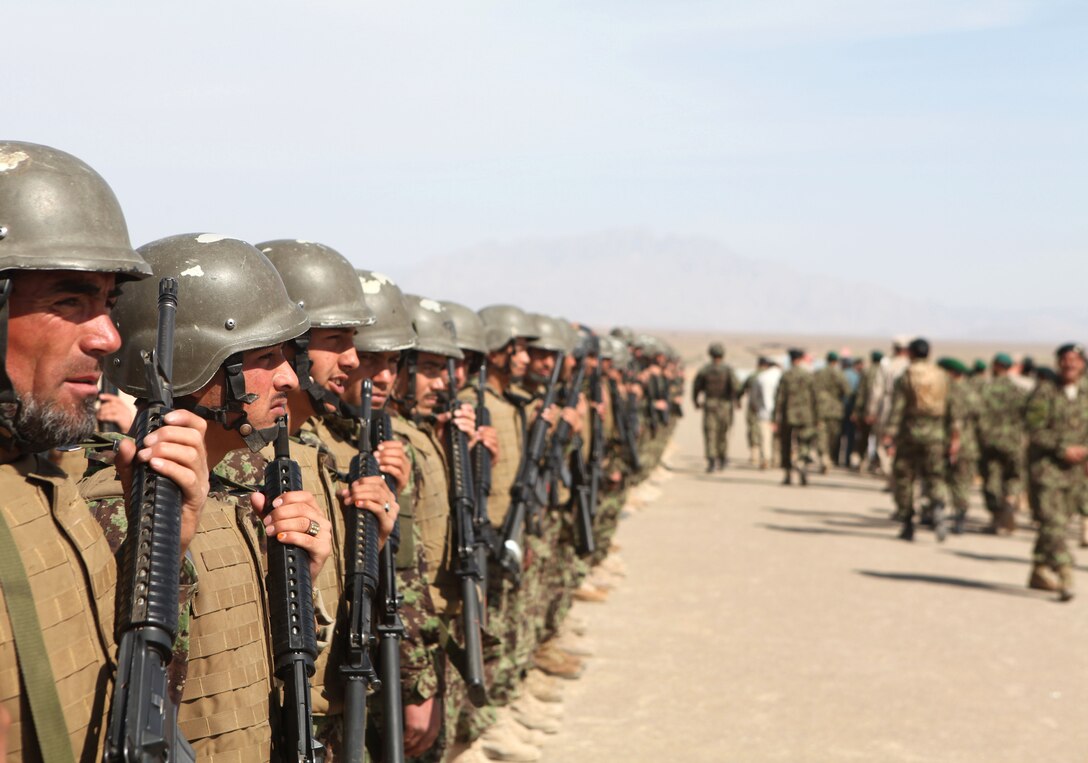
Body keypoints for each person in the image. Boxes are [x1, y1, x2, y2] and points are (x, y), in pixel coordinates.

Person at [80, 234, 347, 760]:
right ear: (195, 364)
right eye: (265, 357)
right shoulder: (120, 504)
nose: (290, 378)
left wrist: (299, 584)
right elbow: (132, 693)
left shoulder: (243, 491)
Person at [0, 142, 210, 760]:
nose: (108, 337)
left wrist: (168, 544)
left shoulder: (46, 483)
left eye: (107, 304)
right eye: (70, 301)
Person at [1025, 343, 1088, 600]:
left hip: (1075, 473)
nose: (1069, 364)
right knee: (1053, 522)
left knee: (1060, 522)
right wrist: (1063, 448)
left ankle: (1039, 571)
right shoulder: (1044, 392)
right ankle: (1066, 573)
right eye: (1065, 359)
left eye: (1075, 359)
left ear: (1083, 364)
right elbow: (1034, 429)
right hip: (1047, 469)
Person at [885, 338, 954, 542]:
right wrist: (953, 434)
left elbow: (898, 407)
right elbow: (951, 407)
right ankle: (939, 510)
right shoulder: (942, 376)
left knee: (905, 477)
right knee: (935, 476)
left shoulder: (907, 375)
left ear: (911, 354)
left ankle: (907, 522)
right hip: (936, 434)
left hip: (910, 433)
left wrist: (890, 433)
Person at [977, 352, 1028, 535]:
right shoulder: (1020, 391)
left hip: (990, 443)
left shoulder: (986, 389)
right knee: (1013, 477)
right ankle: (1009, 504)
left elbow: (977, 414)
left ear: (996, 366)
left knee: (992, 479)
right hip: (1014, 442)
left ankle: (998, 517)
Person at [692, 342, 740, 472]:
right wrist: (737, 401)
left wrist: (696, 402)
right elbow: (736, 387)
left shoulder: (705, 369)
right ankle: (722, 458)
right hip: (725, 405)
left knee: (710, 433)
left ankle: (712, 459)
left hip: (710, 405)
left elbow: (696, 387)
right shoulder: (728, 370)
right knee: (723, 433)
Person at [774, 349, 819, 486]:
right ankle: (802, 465)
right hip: (806, 416)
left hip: (789, 416)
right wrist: (817, 418)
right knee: (804, 442)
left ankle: (788, 474)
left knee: (786, 444)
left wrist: (775, 418)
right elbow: (815, 398)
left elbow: (779, 398)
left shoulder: (786, 376)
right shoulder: (808, 375)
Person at [813, 351, 850, 471]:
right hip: (835, 410)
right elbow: (847, 391)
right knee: (833, 436)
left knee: (821, 435)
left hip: (820, 408)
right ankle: (828, 456)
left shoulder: (818, 373)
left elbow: (812, 390)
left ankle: (824, 456)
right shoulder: (839, 374)